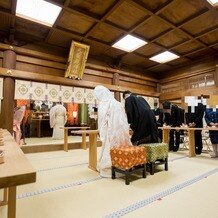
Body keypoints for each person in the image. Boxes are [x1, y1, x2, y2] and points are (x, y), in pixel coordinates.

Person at [94, 85, 132, 177]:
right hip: (121, 132)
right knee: (120, 147)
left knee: (109, 149)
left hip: (110, 131)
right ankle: (123, 164)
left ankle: (110, 166)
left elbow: (102, 121)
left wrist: (101, 134)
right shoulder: (118, 103)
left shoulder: (104, 103)